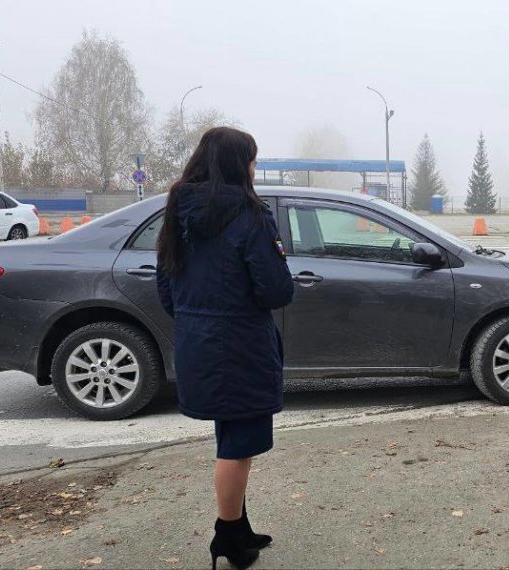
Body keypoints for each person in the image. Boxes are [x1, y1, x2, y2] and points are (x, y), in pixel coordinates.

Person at [156, 127, 294, 570]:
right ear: (238, 165)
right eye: (252, 160)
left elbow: (166, 289)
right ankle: (228, 537)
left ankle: (239, 523)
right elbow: (275, 290)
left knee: (231, 437)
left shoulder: (179, 214)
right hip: (240, 345)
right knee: (238, 442)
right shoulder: (250, 216)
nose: (255, 169)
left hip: (199, 342)